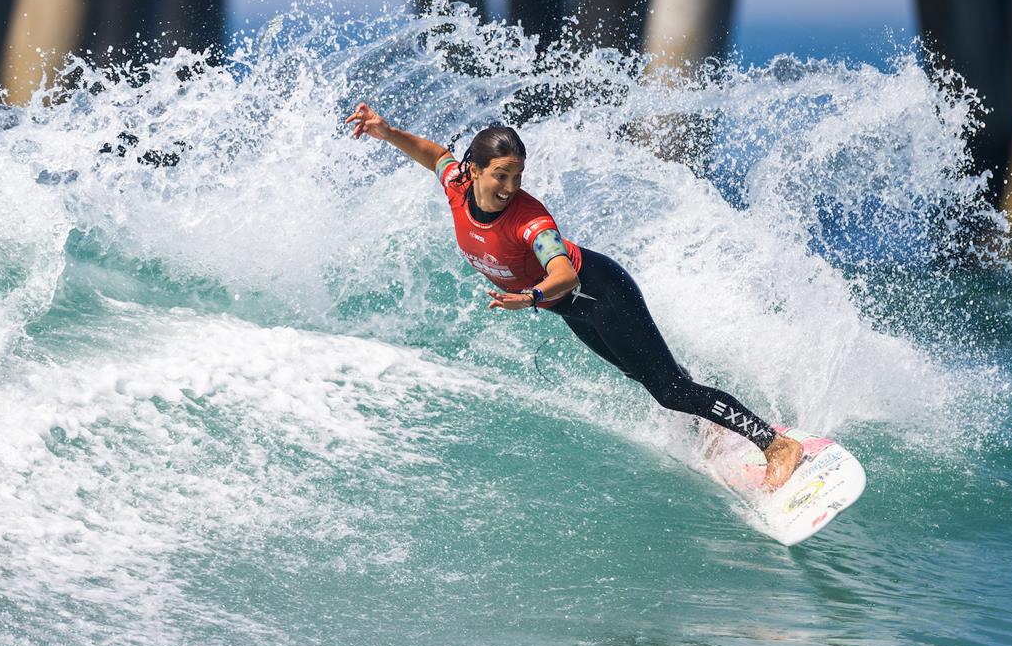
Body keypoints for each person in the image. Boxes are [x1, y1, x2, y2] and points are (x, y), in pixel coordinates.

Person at [344, 104, 804, 489]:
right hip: (573, 310)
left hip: (601, 292)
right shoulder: (457, 185)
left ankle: (775, 445)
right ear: (475, 170)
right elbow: (434, 154)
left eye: (517, 177)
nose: (509, 188)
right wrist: (385, 132)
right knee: (643, 373)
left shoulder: (529, 219)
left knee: (667, 389)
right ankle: (709, 424)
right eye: (501, 176)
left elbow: (562, 272)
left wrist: (530, 297)